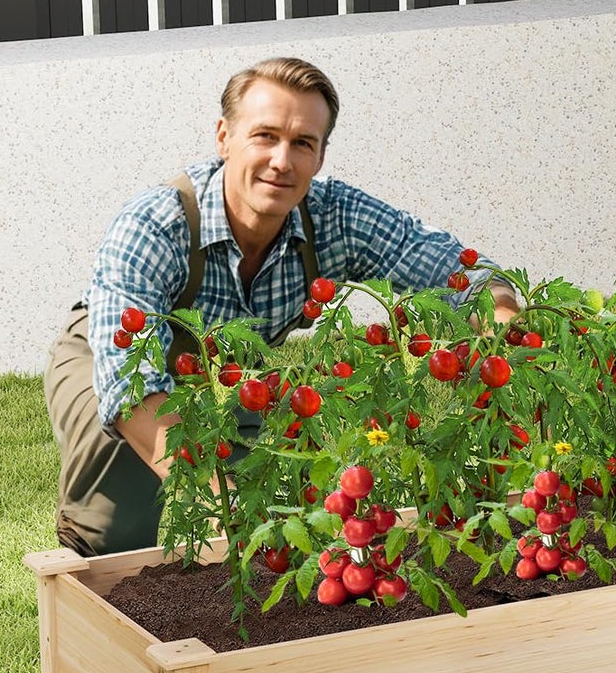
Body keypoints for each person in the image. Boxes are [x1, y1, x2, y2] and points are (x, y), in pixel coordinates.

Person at [44, 56, 517, 558]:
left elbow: (460, 270)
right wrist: (219, 500)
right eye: (265, 136)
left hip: (224, 373)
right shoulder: (156, 224)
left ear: (320, 156)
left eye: (302, 143)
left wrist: (503, 320)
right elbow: (129, 386)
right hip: (111, 362)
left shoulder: (335, 216)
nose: (282, 161)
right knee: (116, 531)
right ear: (225, 137)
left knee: (270, 504)